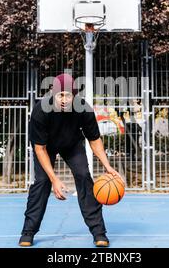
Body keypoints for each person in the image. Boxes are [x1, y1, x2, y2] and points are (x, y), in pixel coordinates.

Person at [19, 73, 124, 247]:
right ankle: (28, 232)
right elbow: (40, 149)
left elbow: (94, 139)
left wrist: (108, 166)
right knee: (42, 181)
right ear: (53, 93)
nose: (64, 99)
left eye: (68, 95)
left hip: (71, 144)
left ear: (74, 96)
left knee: (84, 175)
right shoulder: (40, 111)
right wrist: (55, 179)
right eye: (60, 94)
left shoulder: (83, 108)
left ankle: (99, 232)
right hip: (46, 148)